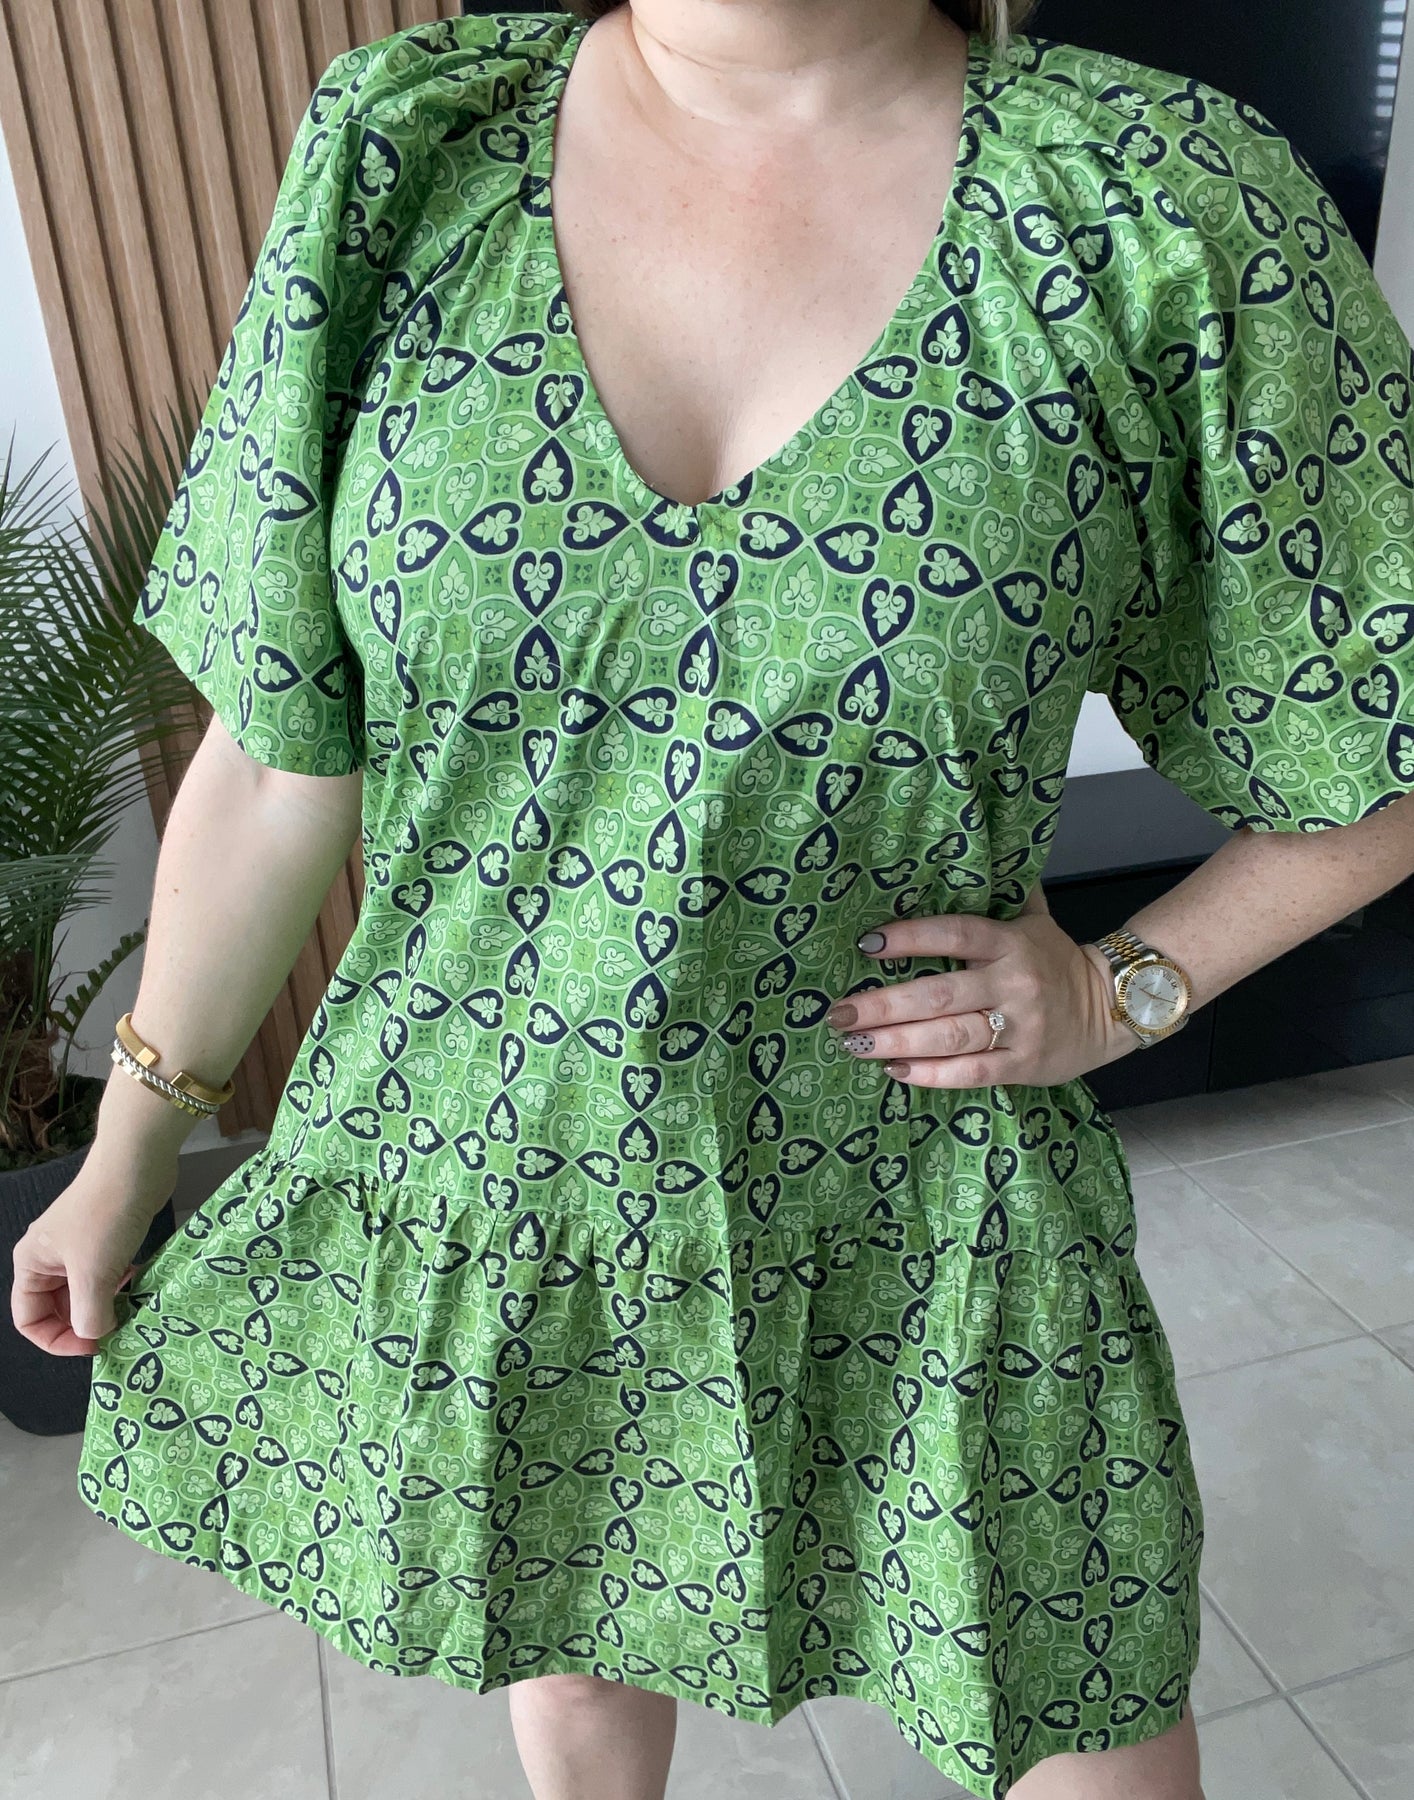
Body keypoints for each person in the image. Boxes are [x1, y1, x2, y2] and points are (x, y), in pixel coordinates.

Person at [14, 1, 1414, 1796]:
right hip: (497, 1175)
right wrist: (129, 1148)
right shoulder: (406, 148)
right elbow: (284, 751)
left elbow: (1382, 737)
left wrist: (1126, 983)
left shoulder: (1158, 200)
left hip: (936, 1208)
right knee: (577, 1663)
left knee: (1072, 1703)